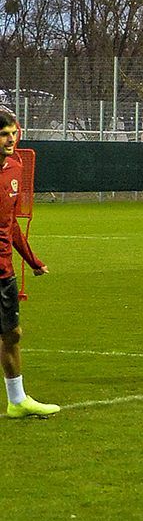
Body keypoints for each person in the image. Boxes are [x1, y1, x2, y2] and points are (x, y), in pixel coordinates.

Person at [0, 109, 55, 418]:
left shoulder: (15, 169)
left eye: (13, 132)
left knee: (12, 334)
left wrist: (32, 260)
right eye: (4, 133)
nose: (11, 139)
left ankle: (17, 400)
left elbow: (12, 223)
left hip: (4, 269)